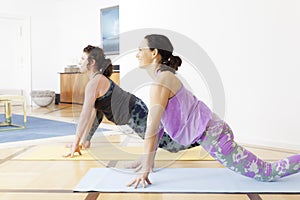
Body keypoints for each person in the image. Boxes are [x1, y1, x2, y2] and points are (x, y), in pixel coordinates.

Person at [127, 34, 300, 188]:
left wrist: (146, 168)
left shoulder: (161, 81)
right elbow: (157, 128)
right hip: (213, 131)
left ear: (154, 52)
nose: (137, 54)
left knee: (266, 173)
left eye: (140, 50)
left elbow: (152, 126)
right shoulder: (164, 77)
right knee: (265, 171)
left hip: (214, 136)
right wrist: (147, 159)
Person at [65, 45, 198, 158]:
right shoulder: (96, 81)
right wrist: (85, 140)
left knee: (171, 146)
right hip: (135, 106)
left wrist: (76, 142)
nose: (79, 62)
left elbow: (84, 116)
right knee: (98, 108)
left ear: (92, 62)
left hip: (135, 111)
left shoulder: (94, 83)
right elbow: (96, 112)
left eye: (83, 59)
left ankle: (201, 136)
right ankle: (198, 133)